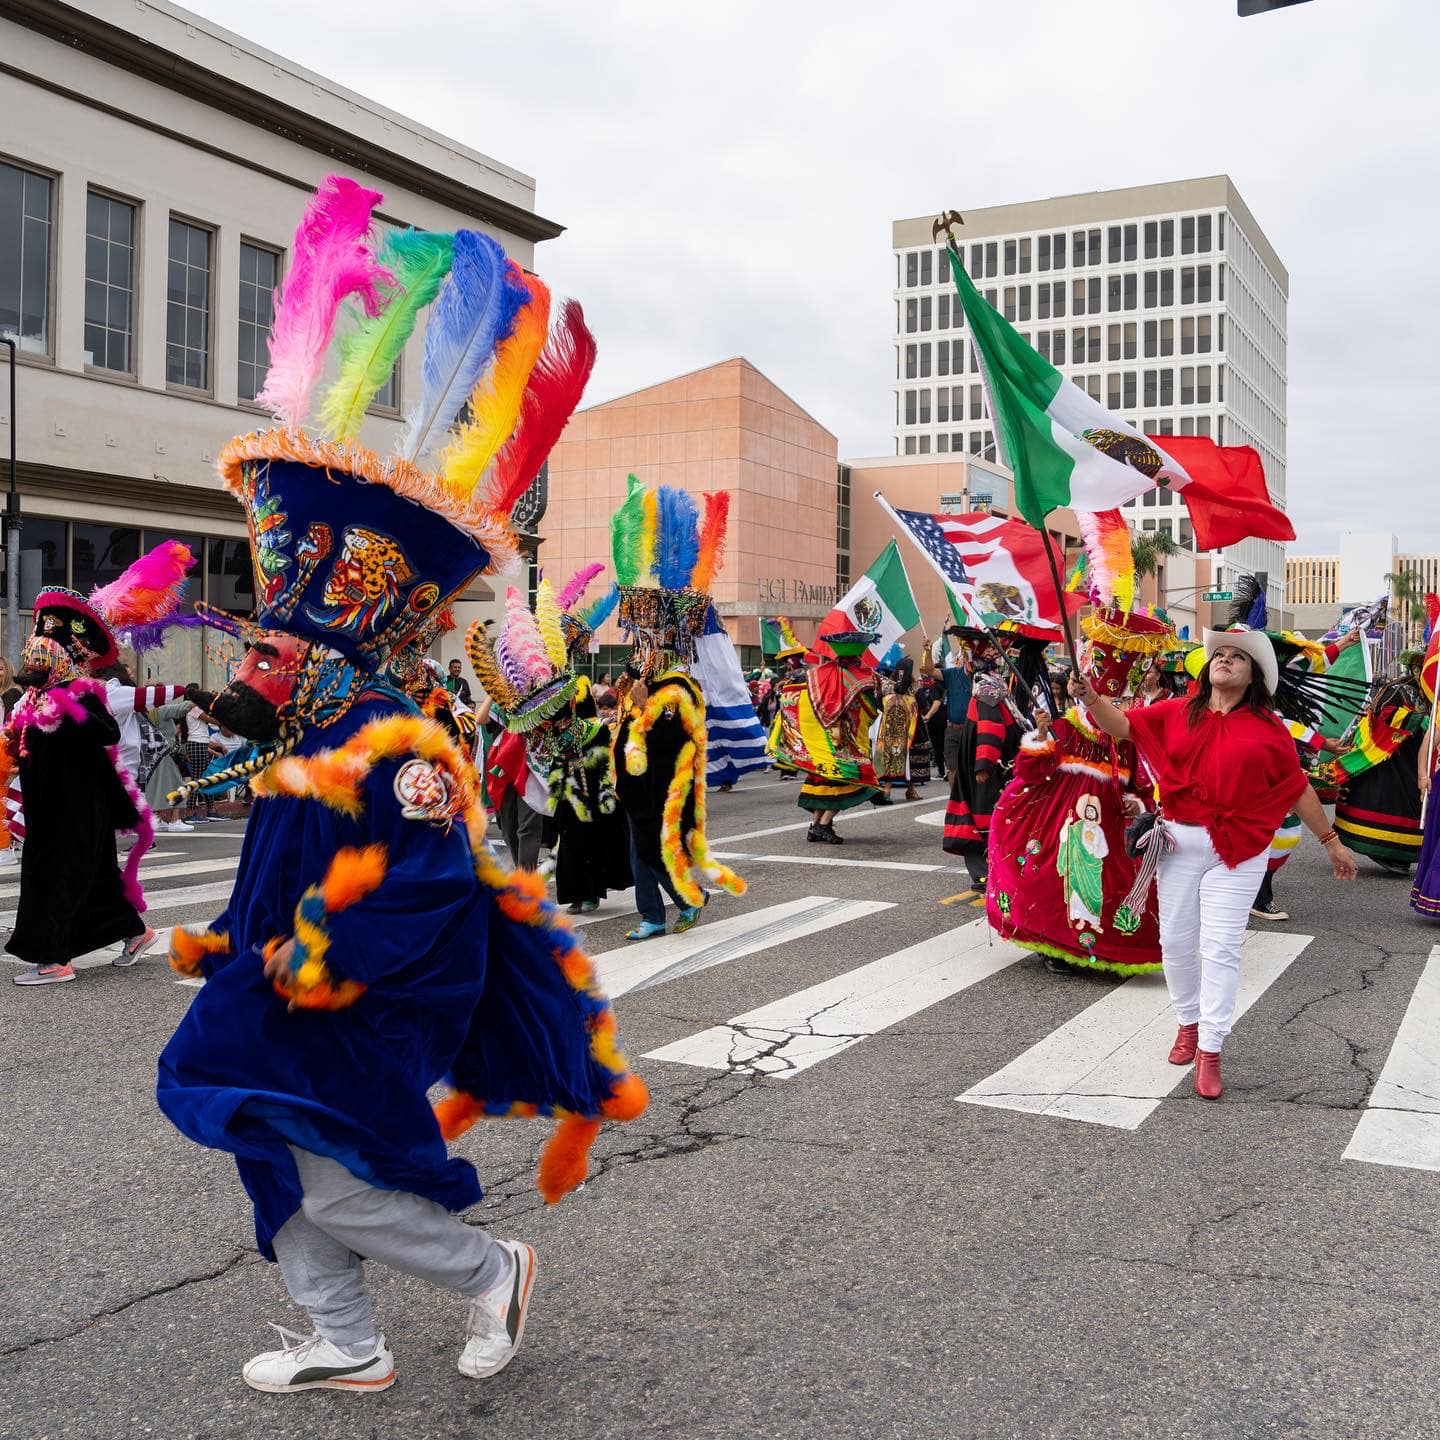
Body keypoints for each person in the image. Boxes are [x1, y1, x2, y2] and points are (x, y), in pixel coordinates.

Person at [156, 188, 647, 1396]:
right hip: (275, 971)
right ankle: (347, 1339)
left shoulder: (399, 739)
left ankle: (488, 1271)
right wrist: (238, 934)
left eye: (273, 652)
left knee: (321, 1161)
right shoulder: (303, 730)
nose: (252, 665)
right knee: (264, 1140)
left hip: (361, 995)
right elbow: (278, 856)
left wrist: (320, 955)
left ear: (328, 651)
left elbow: (429, 887)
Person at [1075, 625, 1359, 1100]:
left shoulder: (1269, 728)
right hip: (1180, 843)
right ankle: (1187, 1023)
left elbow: (1297, 789)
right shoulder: (1176, 712)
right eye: (1219, 654)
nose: (1225, 660)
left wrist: (1331, 841)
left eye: (1237, 657)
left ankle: (1210, 1049)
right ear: (1208, 669)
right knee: (1176, 943)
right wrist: (1090, 698)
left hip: (1241, 850)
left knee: (1222, 948)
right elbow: (1121, 725)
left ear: (1254, 677)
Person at [986, 606, 1172, 978]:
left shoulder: (1128, 734)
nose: (1112, 709)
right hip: (1059, 822)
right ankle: (1057, 945)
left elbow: (1141, 782)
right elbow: (1030, 771)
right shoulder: (1064, 729)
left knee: (1103, 889)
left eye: (1117, 704)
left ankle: (1102, 949)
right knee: (1055, 881)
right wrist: (1039, 736)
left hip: (1112, 825)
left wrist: (1137, 804)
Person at [607, 475, 744, 939]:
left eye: (650, 641)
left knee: (651, 848)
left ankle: (686, 899)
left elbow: (668, 738)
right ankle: (653, 914)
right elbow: (620, 712)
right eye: (640, 639)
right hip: (633, 781)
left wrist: (643, 708)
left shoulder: (680, 687)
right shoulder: (642, 678)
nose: (643, 647)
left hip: (662, 785)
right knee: (638, 850)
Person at [768, 629, 882, 843]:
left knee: (824, 782)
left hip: (823, 743)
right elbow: (869, 708)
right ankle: (823, 826)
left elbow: (799, 696)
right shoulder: (861, 676)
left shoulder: (820, 673)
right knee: (850, 781)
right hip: (843, 744)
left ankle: (816, 826)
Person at [942, 638, 1021, 889]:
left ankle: (986, 871)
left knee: (981, 816)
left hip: (988, 767)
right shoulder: (995, 685)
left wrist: (984, 765)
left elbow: (990, 727)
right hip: (996, 762)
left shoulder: (986, 689)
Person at [143, 696, 197, 833]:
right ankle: (175, 820)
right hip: (166, 754)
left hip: (152, 754)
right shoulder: (162, 709)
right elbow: (181, 709)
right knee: (177, 785)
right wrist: (197, 698)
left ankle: (157, 819)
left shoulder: (144, 712)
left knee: (158, 786)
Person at [874, 654, 920, 801]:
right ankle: (907, 790)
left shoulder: (886, 687)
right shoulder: (914, 688)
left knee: (892, 758)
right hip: (908, 730)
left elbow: (878, 704)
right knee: (905, 759)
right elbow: (924, 704)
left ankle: (889, 790)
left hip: (888, 729)